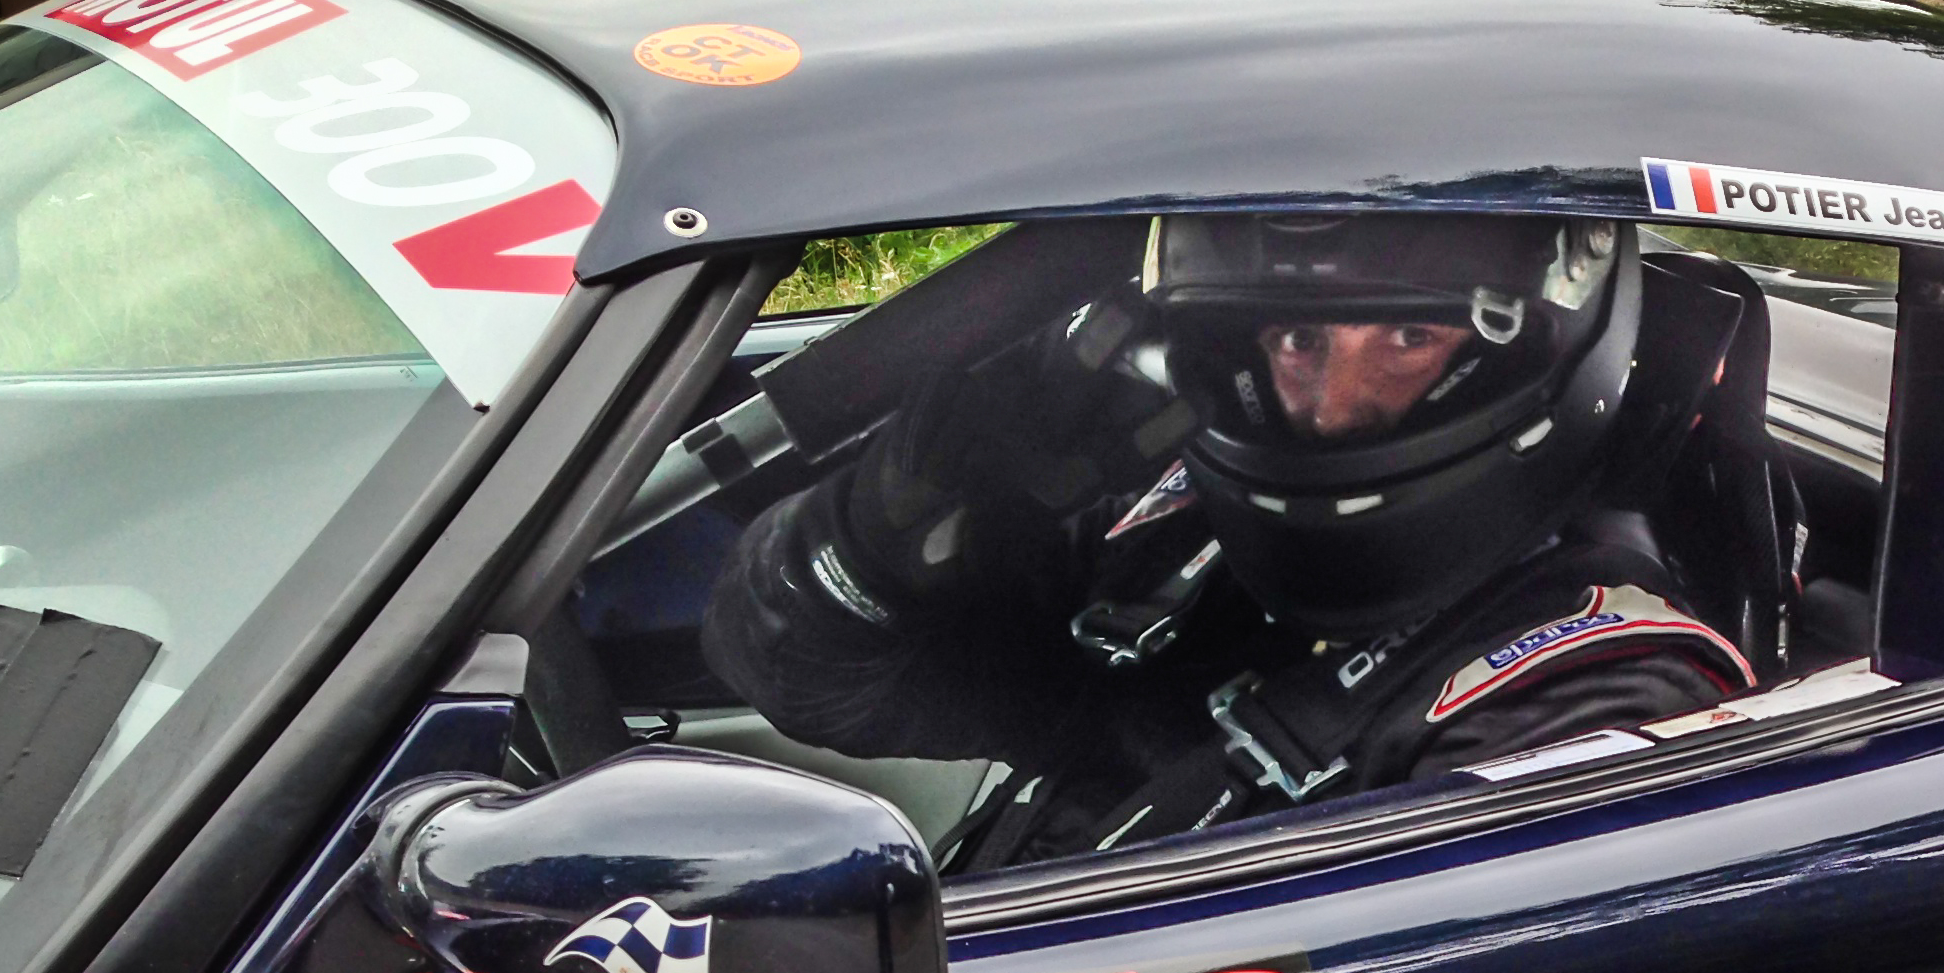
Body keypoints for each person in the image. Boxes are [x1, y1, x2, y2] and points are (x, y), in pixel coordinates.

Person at [701, 211, 1768, 870]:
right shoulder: (1182, 532)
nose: (1333, 408)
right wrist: (876, 531)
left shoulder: (1598, 690)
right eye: (1298, 339)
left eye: (1407, 337)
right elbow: (812, 687)